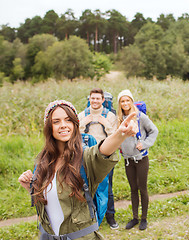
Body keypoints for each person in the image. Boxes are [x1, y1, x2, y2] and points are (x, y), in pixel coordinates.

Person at [18, 100, 137, 240]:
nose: (63, 125)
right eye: (56, 121)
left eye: (68, 120)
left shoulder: (84, 158)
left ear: (75, 124)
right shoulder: (43, 161)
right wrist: (31, 188)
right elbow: (48, 205)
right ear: (49, 127)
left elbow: (102, 152)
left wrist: (120, 134)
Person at [117, 89, 158, 231]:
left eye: (128, 100)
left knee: (142, 188)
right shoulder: (119, 119)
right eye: (122, 101)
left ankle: (144, 218)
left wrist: (145, 144)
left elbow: (154, 131)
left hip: (141, 159)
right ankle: (135, 217)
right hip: (128, 160)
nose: (125, 103)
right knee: (133, 188)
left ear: (132, 101)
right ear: (119, 104)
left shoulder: (140, 117)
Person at [78, 88, 119, 229]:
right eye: (92, 98)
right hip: (86, 156)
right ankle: (91, 217)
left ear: (103, 100)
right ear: (89, 99)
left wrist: (105, 124)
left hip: (104, 156)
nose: (95, 101)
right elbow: (75, 136)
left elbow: (115, 136)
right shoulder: (82, 115)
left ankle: (110, 216)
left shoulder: (110, 116)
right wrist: (83, 123)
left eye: (98, 98)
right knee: (87, 187)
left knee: (107, 188)